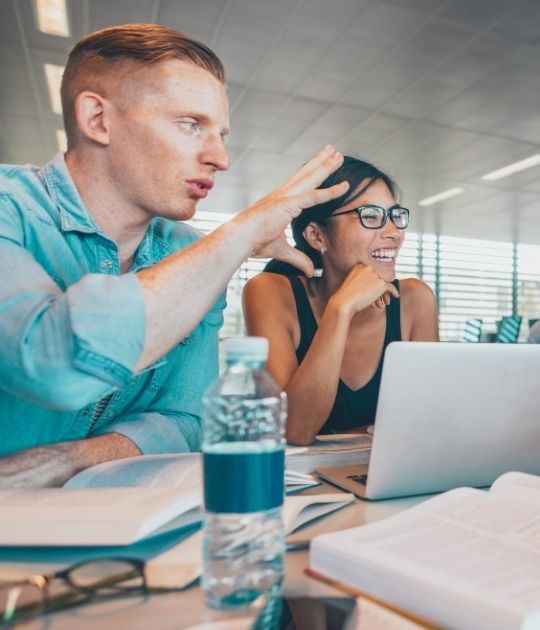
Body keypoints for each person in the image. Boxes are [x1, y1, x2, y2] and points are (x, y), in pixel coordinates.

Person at [0, 23, 348, 488]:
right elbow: (53, 362)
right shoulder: (10, 209)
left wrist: (73, 459)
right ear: (98, 120)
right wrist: (241, 234)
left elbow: (187, 417)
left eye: (221, 133)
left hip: (103, 525)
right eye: (190, 124)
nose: (220, 158)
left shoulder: (187, 251)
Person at [242, 157, 438, 445]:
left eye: (395, 216)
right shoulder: (270, 292)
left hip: (385, 473)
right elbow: (294, 430)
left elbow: (428, 421)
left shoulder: (415, 299)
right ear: (317, 235)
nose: (394, 233)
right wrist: (341, 309)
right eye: (370, 216)